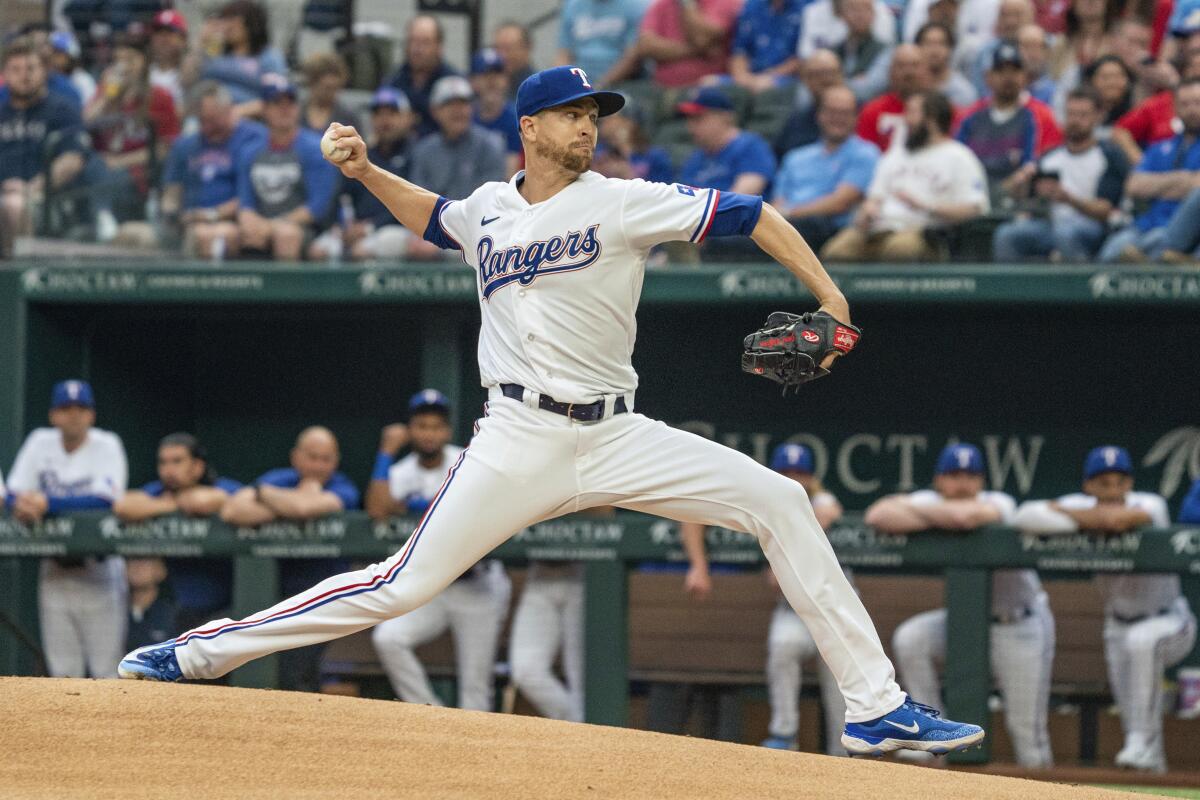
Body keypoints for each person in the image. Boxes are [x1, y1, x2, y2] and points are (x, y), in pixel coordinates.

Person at [119, 64, 986, 761]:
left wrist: (830, 295)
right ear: (530, 128)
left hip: (617, 433)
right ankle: (194, 654)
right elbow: (436, 217)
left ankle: (876, 708)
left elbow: (754, 215)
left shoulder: (620, 198)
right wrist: (365, 171)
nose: (588, 125)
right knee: (402, 584)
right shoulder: (489, 210)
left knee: (780, 502)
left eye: (593, 114)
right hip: (518, 437)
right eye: (572, 113)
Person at [867, 443, 1054, 768]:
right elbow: (878, 514)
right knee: (912, 638)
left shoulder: (1000, 501)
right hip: (969, 622)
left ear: (981, 481)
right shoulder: (934, 501)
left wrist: (919, 514)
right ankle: (934, 732)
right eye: (954, 475)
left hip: (1019, 625)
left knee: (1026, 731)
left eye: (970, 476)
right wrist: (936, 513)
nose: (963, 483)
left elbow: (965, 519)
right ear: (939, 480)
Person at [1014, 446, 1197, 773]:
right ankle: (1152, 768)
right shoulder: (1081, 504)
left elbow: (1118, 520)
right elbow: (1025, 514)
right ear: (1088, 486)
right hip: (1117, 625)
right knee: (1134, 719)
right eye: (1103, 483)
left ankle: (1142, 744)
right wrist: (1084, 518)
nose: (1113, 490)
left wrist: (1070, 517)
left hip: (1171, 621)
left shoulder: (1150, 503)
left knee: (1142, 643)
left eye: (1119, 481)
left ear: (1130, 484)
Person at [368, 390, 513, 713]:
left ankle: (473, 756)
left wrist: (414, 505)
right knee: (388, 638)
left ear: (446, 431)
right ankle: (430, 714)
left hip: (478, 584)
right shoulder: (402, 471)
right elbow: (378, 508)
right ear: (410, 429)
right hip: (434, 587)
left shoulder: (466, 459)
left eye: (435, 426)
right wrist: (386, 452)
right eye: (421, 425)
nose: (428, 433)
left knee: (475, 688)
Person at [220, 426, 361, 693]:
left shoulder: (344, 487)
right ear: (296, 457)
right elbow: (232, 510)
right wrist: (289, 502)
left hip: (326, 598)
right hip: (275, 596)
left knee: (293, 671)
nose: (319, 465)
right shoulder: (280, 478)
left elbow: (304, 508)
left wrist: (266, 497)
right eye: (312, 457)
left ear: (336, 461)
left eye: (326, 459)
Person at [6, 380, 128, 679]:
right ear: (53, 415)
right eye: (66, 408)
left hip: (99, 572)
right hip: (55, 571)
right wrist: (22, 504)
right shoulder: (39, 441)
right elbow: (11, 491)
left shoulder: (107, 444)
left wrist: (47, 503)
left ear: (92, 415)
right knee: (62, 673)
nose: (74, 415)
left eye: (81, 408)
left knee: (107, 672)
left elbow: (106, 499)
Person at [758, 444, 850, 756]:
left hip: (836, 609)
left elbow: (828, 509)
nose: (793, 479)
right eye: (786, 472)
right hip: (793, 608)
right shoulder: (762, 504)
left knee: (841, 665)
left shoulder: (822, 500)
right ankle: (784, 733)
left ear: (811, 477)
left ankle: (845, 744)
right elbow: (775, 582)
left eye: (800, 473)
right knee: (783, 645)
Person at [823, 90, 989, 261]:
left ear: (931, 120)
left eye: (911, 113)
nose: (905, 119)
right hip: (877, 229)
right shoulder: (895, 155)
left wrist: (926, 206)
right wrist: (867, 210)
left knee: (899, 249)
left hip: (923, 233)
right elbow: (874, 197)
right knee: (836, 251)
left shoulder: (959, 156)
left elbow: (974, 209)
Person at [112, 432, 241, 632]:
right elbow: (123, 506)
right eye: (163, 463)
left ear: (197, 466)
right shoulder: (158, 492)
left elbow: (205, 501)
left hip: (230, 608)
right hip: (180, 608)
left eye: (177, 461)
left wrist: (164, 505)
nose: (168, 470)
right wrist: (171, 505)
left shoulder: (221, 486)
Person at [993, 86, 1128, 260]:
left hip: (1093, 227)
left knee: (1065, 233)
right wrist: (1021, 185)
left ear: (1097, 116)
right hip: (1050, 224)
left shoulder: (1109, 155)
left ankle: (1077, 285)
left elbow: (1106, 210)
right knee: (1007, 234)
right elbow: (1023, 196)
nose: (1075, 121)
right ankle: (1010, 287)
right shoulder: (1050, 156)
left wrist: (1069, 199)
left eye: (1083, 115)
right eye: (1071, 114)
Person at [84, 27, 181, 240]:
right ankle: (102, 218)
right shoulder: (106, 92)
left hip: (139, 172)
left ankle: (104, 220)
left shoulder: (159, 97)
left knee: (107, 173)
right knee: (93, 166)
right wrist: (107, 98)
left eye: (130, 60)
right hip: (101, 166)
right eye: (118, 60)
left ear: (144, 63)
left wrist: (121, 161)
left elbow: (166, 148)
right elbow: (85, 124)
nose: (123, 67)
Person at [236, 75, 340, 261]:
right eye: (277, 103)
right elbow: (246, 202)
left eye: (290, 102)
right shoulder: (250, 151)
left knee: (285, 234)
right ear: (265, 109)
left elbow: (317, 207)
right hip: (263, 222)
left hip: (308, 229)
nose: (285, 109)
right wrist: (250, 221)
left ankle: (285, 290)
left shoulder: (316, 148)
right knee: (243, 232)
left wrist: (272, 224)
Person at [308, 88, 418, 262]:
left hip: (396, 229)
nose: (385, 121)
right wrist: (339, 227)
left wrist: (369, 227)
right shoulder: (364, 154)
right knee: (319, 250)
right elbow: (341, 195)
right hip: (357, 229)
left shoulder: (415, 154)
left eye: (392, 113)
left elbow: (412, 203)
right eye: (378, 114)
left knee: (364, 250)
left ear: (407, 118)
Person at [160, 81, 267, 259]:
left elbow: (252, 195)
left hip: (232, 220)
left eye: (212, 120)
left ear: (229, 110)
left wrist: (210, 215)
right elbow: (172, 192)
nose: (206, 127)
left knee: (203, 235)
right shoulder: (186, 145)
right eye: (202, 120)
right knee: (131, 235)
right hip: (189, 220)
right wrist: (171, 213)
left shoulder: (254, 139)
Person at [1098, 77, 1200, 261]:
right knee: (1112, 251)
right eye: (1185, 104)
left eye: (1197, 103)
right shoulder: (1161, 146)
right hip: (1145, 225)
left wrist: (1157, 185)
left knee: (1156, 244)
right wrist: (1184, 180)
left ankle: (1147, 258)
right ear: (1175, 108)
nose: (1192, 110)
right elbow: (1133, 186)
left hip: (1183, 232)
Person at [0, 39, 90, 240]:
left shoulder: (62, 109)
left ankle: (20, 270)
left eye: (31, 68)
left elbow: (73, 160)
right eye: (16, 69)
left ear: (44, 72)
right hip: (3, 193)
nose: (24, 75)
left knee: (15, 205)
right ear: (5, 75)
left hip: (49, 200)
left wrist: (31, 188)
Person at [772, 85, 880, 251]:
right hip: (786, 225)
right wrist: (781, 217)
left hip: (828, 228)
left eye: (845, 113)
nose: (838, 119)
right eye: (832, 112)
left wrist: (788, 214)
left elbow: (840, 203)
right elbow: (778, 201)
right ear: (819, 115)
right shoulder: (796, 157)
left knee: (806, 226)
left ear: (855, 117)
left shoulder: (865, 153)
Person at [955, 43, 1063, 199]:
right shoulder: (970, 116)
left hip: (1014, 199)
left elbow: (1033, 167)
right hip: (970, 195)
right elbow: (957, 159)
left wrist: (999, 192)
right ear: (988, 77)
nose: (1008, 77)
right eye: (1001, 71)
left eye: (1015, 71)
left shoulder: (1041, 116)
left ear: (1025, 76)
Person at [408, 76, 507, 203]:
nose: (457, 111)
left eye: (463, 104)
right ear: (434, 111)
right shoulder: (423, 151)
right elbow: (419, 199)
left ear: (472, 108)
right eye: (448, 104)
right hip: (435, 220)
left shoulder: (490, 145)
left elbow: (492, 199)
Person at [191, 0, 287, 121]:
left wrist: (235, 112)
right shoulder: (214, 53)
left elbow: (277, 98)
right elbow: (186, 81)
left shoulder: (268, 57)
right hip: (206, 118)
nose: (226, 25)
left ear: (251, 22)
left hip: (247, 121)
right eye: (224, 19)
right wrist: (200, 44)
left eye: (233, 18)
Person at [677, 87, 777, 194]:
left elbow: (742, 198)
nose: (691, 126)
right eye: (689, 119)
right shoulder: (696, 157)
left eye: (698, 118)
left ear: (725, 117)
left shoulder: (750, 147)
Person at [1112, 46, 1200, 164]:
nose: (1198, 71)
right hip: (1163, 176)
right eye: (1194, 66)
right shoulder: (1161, 102)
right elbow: (1120, 132)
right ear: (1184, 72)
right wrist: (1144, 163)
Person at [638, 0, 743, 89]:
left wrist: (687, 3)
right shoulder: (663, 4)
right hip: (661, 88)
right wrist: (697, 50)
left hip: (707, 90)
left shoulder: (724, 2)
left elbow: (701, 40)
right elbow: (645, 46)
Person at [386, 15, 459, 137]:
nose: (417, 49)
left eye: (425, 42)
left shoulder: (453, 84)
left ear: (439, 47)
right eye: (412, 41)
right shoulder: (394, 80)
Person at [557, 0, 649, 86]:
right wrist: (564, 81)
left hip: (622, 83)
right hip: (580, 80)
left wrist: (600, 86)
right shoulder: (572, 6)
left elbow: (633, 58)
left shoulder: (635, 6)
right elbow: (564, 53)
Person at [855, 44, 928, 151]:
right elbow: (864, 154)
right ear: (890, 72)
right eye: (901, 66)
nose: (908, 73)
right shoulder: (872, 111)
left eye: (915, 65)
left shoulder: (938, 110)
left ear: (926, 71)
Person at [774, 49, 845, 156]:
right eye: (818, 74)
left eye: (831, 73)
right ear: (805, 80)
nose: (826, 80)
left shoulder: (860, 113)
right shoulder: (796, 123)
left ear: (841, 75)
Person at [727, 0, 805, 92]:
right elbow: (739, 52)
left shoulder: (805, 7)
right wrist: (744, 78)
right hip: (752, 76)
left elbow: (802, 58)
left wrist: (769, 76)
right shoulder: (751, 6)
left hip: (787, 78)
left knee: (766, 89)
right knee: (710, 83)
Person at [470, 49, 523, 177]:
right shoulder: (465, 117)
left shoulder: (516, 119)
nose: (492, 82)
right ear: (472, 81)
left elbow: (511, 174)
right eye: (485, 75)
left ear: (506, 80)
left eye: (497, 75)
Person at [593, 101, 674, 183]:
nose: (604, 122)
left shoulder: (655, 156)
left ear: (629, 122)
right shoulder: (597, 152)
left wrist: (628, 172)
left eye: (611, 118)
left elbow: (663, 190)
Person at [797, 0, 897, 60]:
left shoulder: (880, 10)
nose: (859, 15)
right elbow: (805, 55)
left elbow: (886, 52)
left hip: (869, 68)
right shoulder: (813, 11)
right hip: (826, 73)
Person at [916, 22, 978, 106]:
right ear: (917, 47)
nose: (934, 50)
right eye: (928, 43)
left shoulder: (964, 93)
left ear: (951, 49)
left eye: (941, 44)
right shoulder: (910, 86)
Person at [126, 558, 180, 652]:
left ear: (161, 570)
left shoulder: (174, 615)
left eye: (145, 560)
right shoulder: (112, 612)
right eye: (132, 559)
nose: (137, 566)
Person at [300, 52, 360, 135]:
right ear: (312, 83)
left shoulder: (348, 117)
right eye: (326, 88)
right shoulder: (296, 112)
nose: (329, 93)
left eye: (334, 88)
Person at [149, 9, 189, 113]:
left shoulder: (191, 73)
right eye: (159, 32)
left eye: (170, 33)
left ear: (183, 39)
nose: (164, 39)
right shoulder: (142, 74)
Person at [1085, 54, 1135, 133]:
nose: (1112, 83)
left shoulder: (1136, 112)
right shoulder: (1084, 111)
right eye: (1105, 77)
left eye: (1117, 77)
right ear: (1092, 81)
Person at [46, 30, 95, 108]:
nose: (53, 57)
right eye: (53, 52)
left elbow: (87, 111)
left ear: (71, 56)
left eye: (59, 53)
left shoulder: (83, 80)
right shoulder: (46, 78)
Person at [1018, 23, 1059, 104]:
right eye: (1026, 46)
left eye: (1037, 46)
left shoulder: (1055, 91)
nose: (1031, 53)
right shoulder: (1005, 88)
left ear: (1047, 52)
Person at [493, 21, 538, 94]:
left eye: (509, 49)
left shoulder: (538, 87)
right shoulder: (484, 86)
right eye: (498, 48)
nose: (503, 55)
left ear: (527, 48)